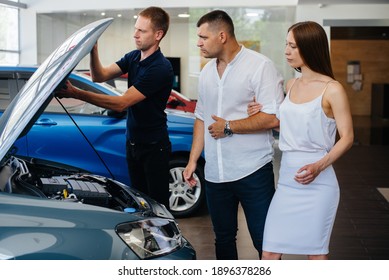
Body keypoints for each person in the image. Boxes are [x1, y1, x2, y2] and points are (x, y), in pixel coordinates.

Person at [248, 21, 354, 260]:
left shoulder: (333, 89)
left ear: (310, 47)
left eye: (293, 46)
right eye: (286, 44)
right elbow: (291, 127)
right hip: (287, 179)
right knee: (269, 253)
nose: (286, 51)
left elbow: (347, 137)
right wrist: (263, 113)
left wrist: (319, 166)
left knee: (315, 255)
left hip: (319, 182)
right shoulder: (291, 84)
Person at [183, 10, 284, 260]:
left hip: (253, 171)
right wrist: (193, 159)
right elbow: (201, 117)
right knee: (223, 239)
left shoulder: (260, 66)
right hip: (216, 174)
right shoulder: (207, 72)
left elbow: (272, 118)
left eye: (203, 37)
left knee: (265, 242)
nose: (198, 42)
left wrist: (228, 126)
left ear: (222, 35)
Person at [57, 7, 173, 207]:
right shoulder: (133, 57)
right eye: (135, 28)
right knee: (140, 203)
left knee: (158, 207)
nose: (135, 34)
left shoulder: (160, 68)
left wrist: (76, 93)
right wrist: (94, 51)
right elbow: (99, 76)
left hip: (154, 148)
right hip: (133, 143)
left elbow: (121, 103)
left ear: (158, 35)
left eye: (142, 31)